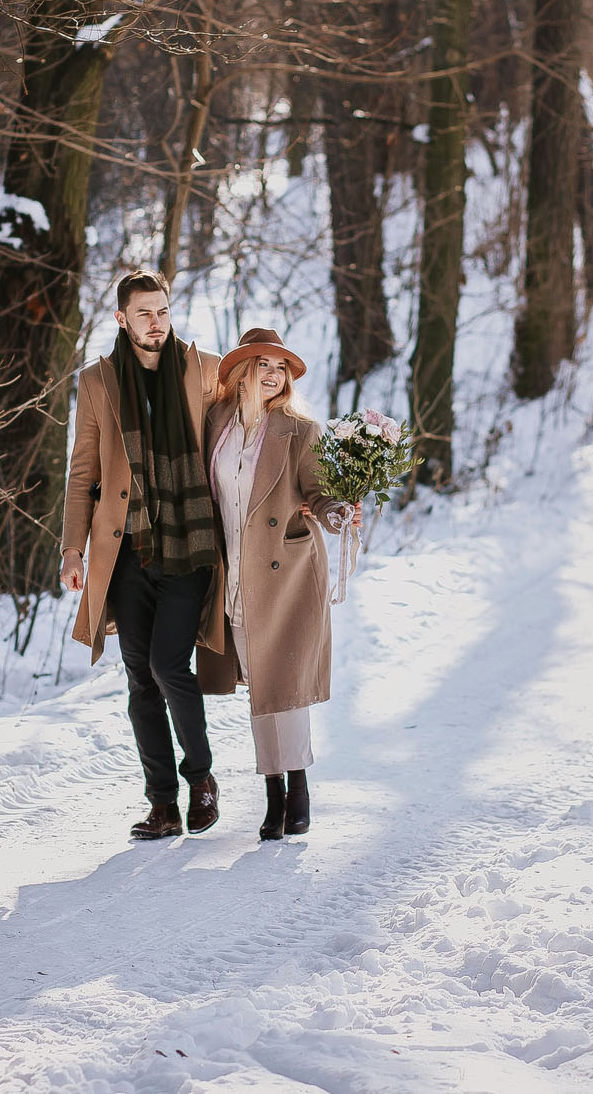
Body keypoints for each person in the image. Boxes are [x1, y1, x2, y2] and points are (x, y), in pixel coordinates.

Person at [60, 271, 228, 840]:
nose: (156, 322)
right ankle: (163, 804)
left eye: (163, 311)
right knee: (139, 680)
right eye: (145, 314)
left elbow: (240, 442)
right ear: (121, 319)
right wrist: (71, 549)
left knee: (167, 665)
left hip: (191, 542)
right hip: (127, 552)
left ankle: (201, 778)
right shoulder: (98, 381)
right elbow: (83, 470)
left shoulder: (206, 371)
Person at [203, 328, 355, 839]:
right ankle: (272, 792)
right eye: (263, 364)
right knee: (260, 686)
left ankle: (299, 787)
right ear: (242, 371)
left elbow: (321, 493)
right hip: (235, 571)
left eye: (280, 367)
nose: (273, 374)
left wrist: (339, 511)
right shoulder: (217, 422)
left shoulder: (299, 429)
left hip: (286, 573)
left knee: (285, 685)